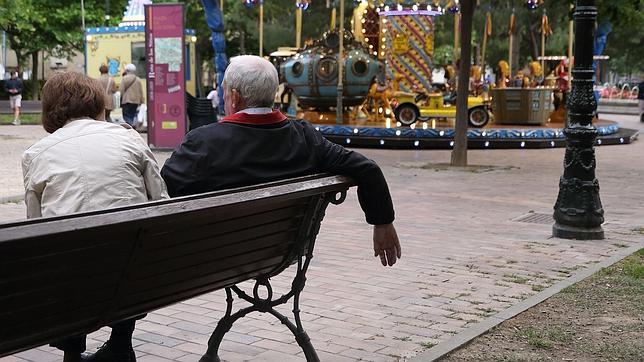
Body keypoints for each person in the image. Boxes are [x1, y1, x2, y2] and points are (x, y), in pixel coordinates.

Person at [161, 55, 401, 272]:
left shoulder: (203, 142)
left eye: (224, 92)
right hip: (283, 251)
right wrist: (383, 222)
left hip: (215, 259)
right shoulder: (305, 138)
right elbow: (367, 168)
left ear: (234, 96)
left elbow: (162, 191)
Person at [21, 72, 168, 362]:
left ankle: (72, 353)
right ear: (98, 102)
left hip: (72, 284)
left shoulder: (36, 154)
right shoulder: (129, 138)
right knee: (129, 245)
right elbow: (160, 202)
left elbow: (36, 228)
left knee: (63, 258)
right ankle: (121, 343)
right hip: (133, 277)